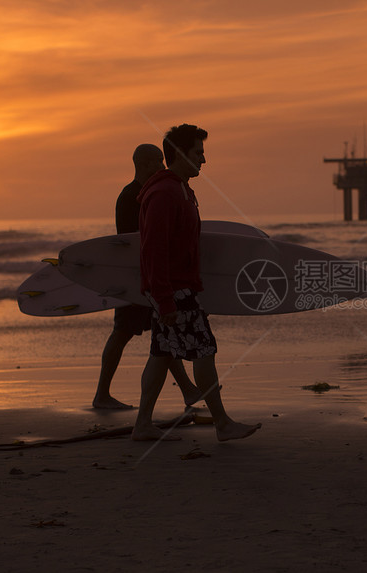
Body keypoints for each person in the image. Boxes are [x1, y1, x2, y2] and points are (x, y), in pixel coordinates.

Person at [132, 124, 261, 441]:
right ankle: (222, 424)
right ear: (179, 154)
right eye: (198, 153)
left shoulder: (180, 189)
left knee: (162, 354)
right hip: (174, 290)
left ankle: (142, 424)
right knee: (204, 351)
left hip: (174, 288)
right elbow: (154, 249)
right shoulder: (164, 193)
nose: (204, 160)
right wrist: (165, 300)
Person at [93, 143, 206, 410]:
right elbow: (135, 242)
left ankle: (188, 390)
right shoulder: (132, 196)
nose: (162, 165)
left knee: (162, 334)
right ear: (142, 164)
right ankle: (101, 395)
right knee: (123, 333)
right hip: (136, 279)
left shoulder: (147, 193)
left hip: (147, 279)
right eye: (156, 161)